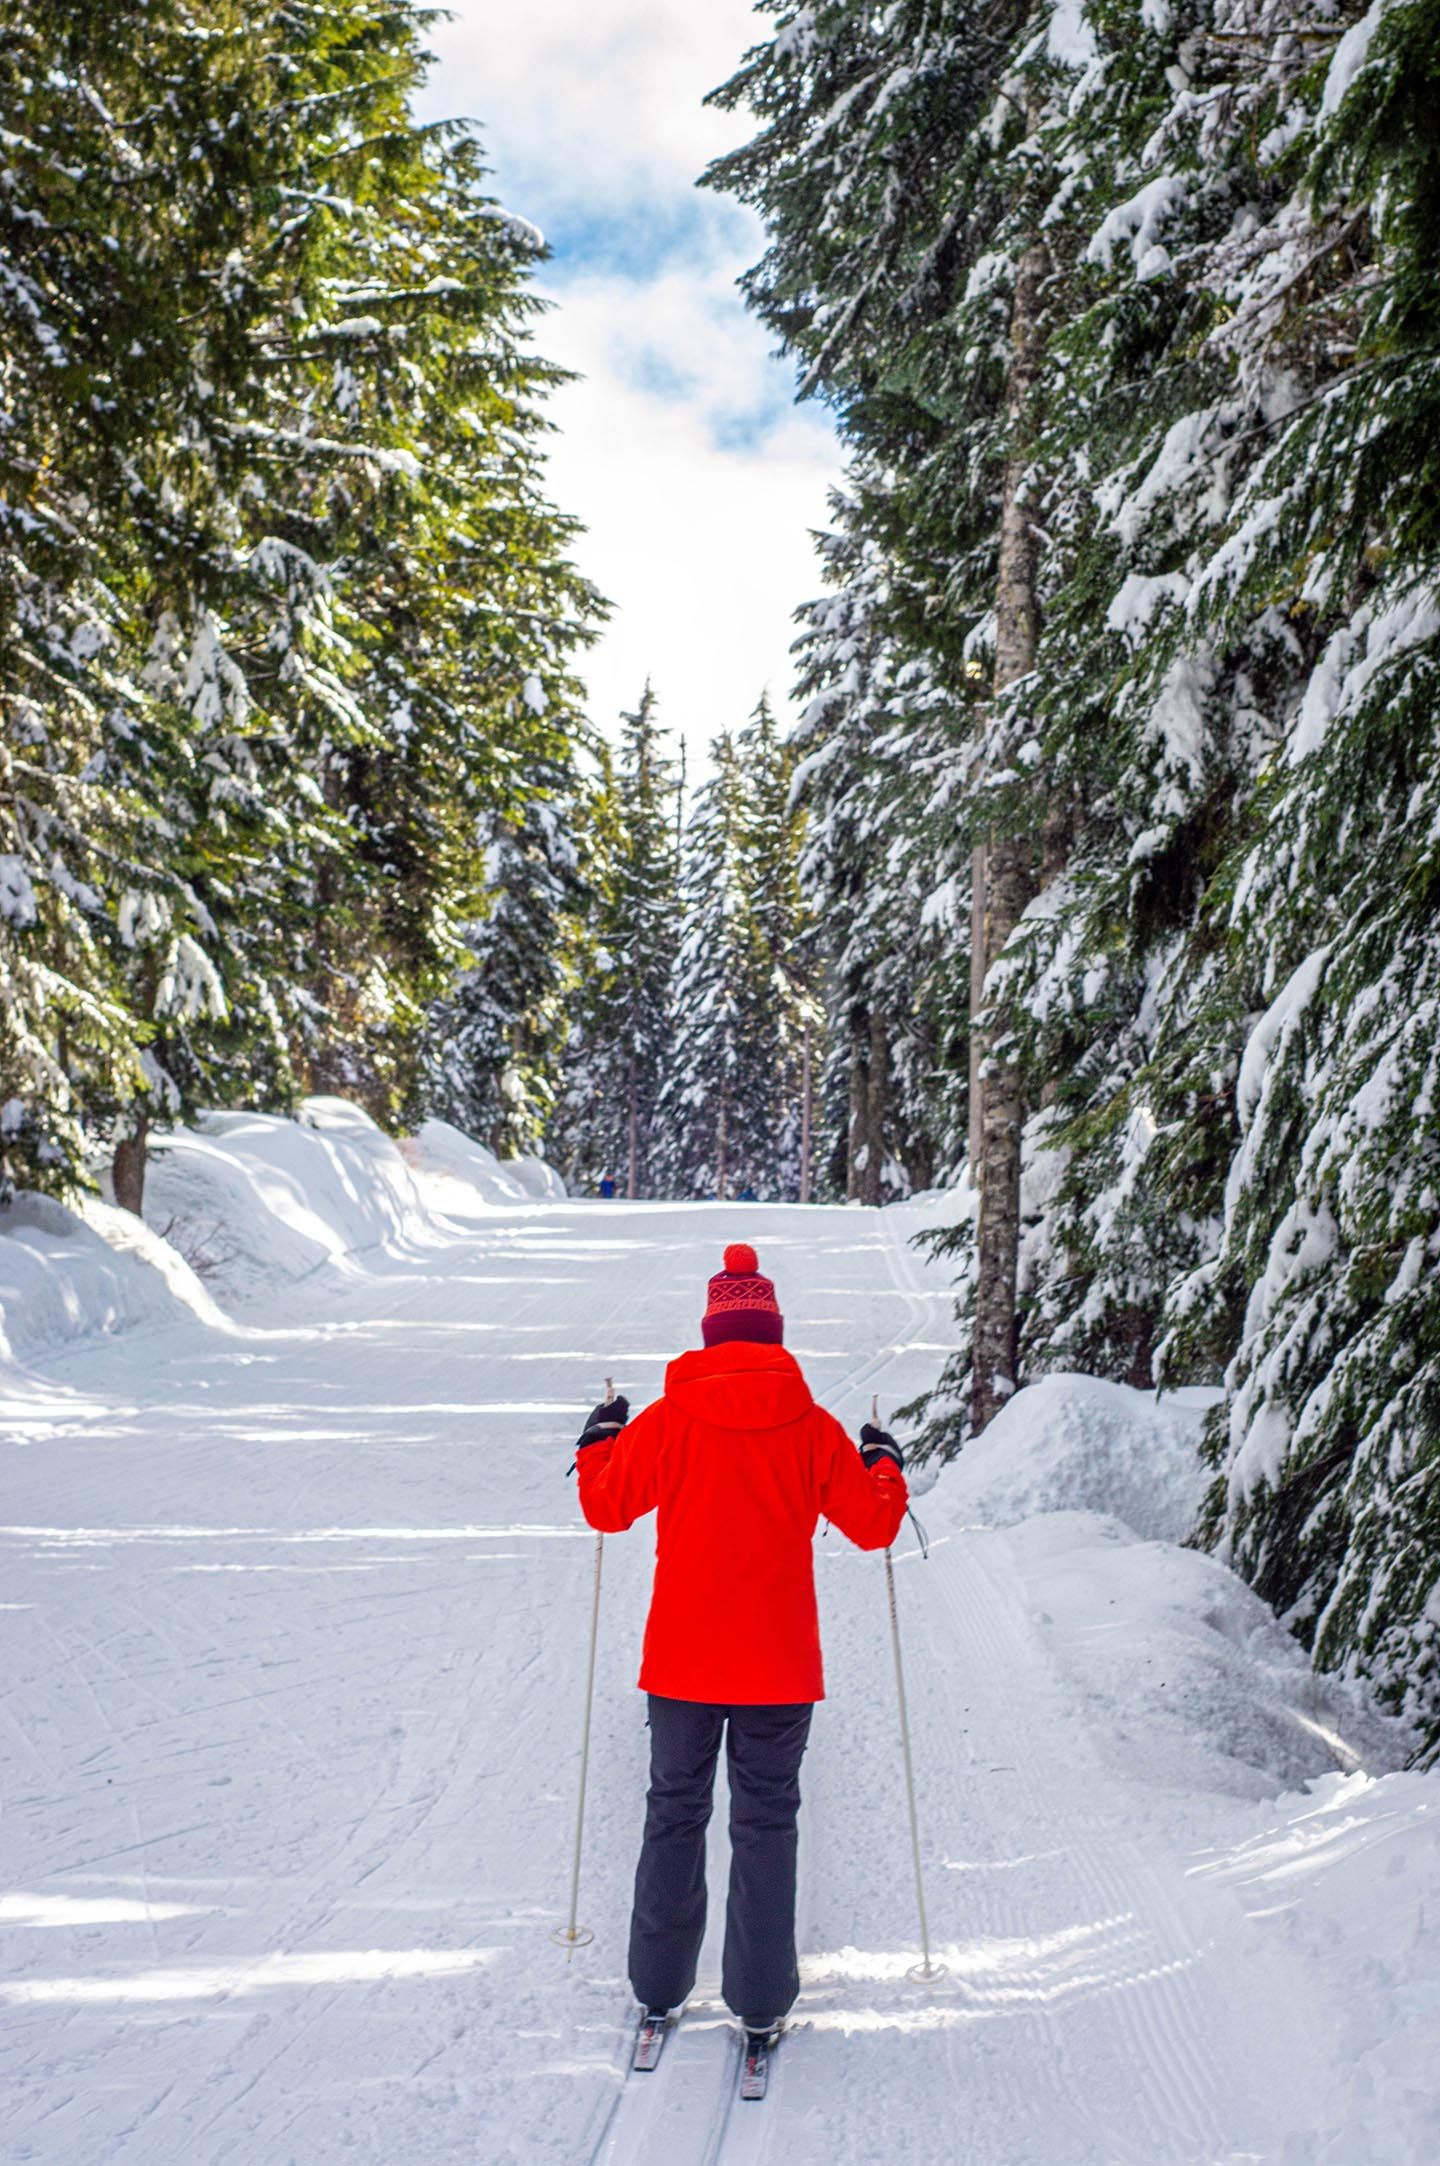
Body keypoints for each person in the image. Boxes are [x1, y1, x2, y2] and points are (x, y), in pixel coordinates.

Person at [571, 1240, 907, 2046]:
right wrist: (884, 1461)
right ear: (775, 1336)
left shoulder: (667, 1420)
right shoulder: (811, 1425)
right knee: (765, 1823)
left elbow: (606, 1509)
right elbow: (874, 1524)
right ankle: (760, 2002)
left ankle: (658, 1986)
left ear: (712, 1337)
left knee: (674, 1813)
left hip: (682, 1663)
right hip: (779, 1667)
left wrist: (596, 1442)